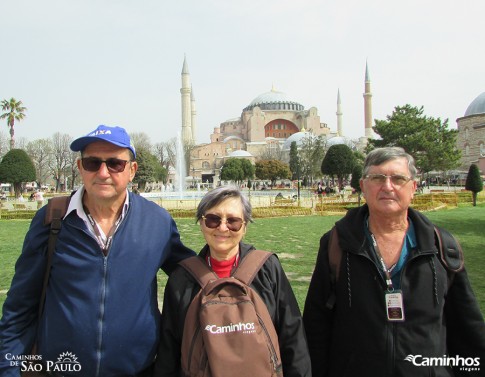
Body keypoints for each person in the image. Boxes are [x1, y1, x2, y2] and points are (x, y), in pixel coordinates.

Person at [0, 125, 195, 377]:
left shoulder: (156, 221)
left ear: (132, 170)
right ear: (81, 168)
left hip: (138, 370)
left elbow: (191, 271)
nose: (103, 173)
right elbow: (19, 307)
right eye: (93, 163)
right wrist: (8, 369)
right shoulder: (52, 220)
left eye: (115, 164)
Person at [303, 147, 485, 377]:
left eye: (398, 178)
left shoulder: (440, 246)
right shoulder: (338, 244)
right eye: (377, 178)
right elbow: (316, 325)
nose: (387, 186)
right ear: (363, 186)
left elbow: (468, 329)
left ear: (413, 188)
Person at [154, 186, 311, 377]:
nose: (222, 227)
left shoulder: (267, 269)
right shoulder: (183, 278)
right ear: (201, 223)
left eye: (233, 221)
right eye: (213, 219)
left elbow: (292, 337)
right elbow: (169, 350)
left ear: (244, 227)